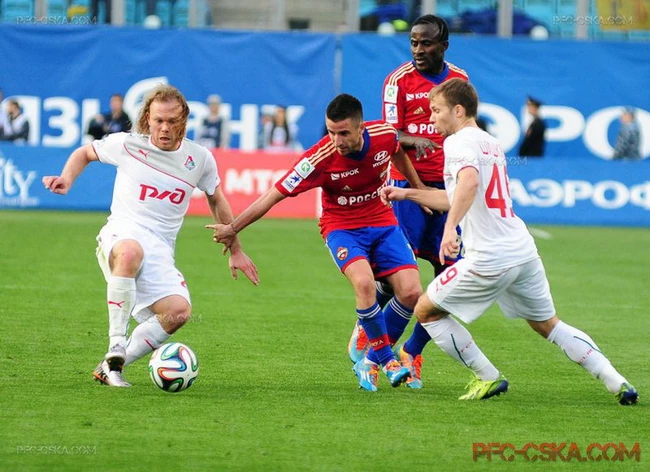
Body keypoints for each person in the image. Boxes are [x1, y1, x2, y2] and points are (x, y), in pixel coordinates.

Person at [381, 78, 638, 404]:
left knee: (426, 310)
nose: (431, 118)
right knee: (548, 324)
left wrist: (450, 230)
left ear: (458, 111)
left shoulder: (457, 142)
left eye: (436, 110)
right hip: (522, 250)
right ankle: (617, 382)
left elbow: (469, 184)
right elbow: (457, 195)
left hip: (490, 256)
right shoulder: (490, 142)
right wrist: (407, 193)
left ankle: (487, 376)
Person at [43, 84, 259, 387]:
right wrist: (66, 179)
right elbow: (85, 152)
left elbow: (216, 198)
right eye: (158, 120)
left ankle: (109, 368)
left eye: (172, 121)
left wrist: (235, 249)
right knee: (130, 252)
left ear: (184, 120)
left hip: (160, 248)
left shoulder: (199, 159)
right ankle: (116, 342)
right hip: (120, 233)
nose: (165, 127)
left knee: (178, 312)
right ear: (147, 118)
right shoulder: (127, 144)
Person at [209, 93, 428, 392]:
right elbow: (273, 195)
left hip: (382, 221)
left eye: (344, 133)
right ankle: (387, 361)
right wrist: (233, 228)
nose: (336, 140)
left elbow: (397, 151)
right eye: (331, 132)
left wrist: (418, 189)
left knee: (412, 292)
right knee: (364, 284)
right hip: (342, 228)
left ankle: (368, 356)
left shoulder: (384, 134)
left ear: (361, 127)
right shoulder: (318, 158)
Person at [348, 14, 469, 389]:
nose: (418, 49)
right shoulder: (397, 80)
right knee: (398, 274)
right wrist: (412, 142)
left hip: (446, 190)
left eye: (426, 43)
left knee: (452, 280)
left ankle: (411, 351)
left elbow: (465, 129)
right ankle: (369, 324)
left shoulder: (459, 80)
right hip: (405, 187)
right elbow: (389, 134)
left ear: (443, 45)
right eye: (414, 42)